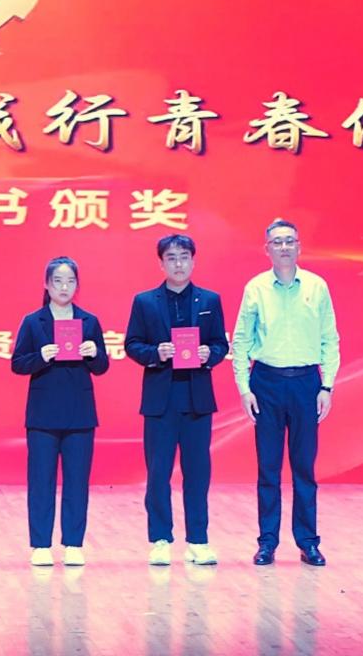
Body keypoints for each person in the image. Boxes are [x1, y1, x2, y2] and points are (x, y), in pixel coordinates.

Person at [231, 219, 340, 567]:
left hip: (307, 383)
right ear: (267, 249)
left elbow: (330, 338)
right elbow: (241, 340)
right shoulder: (256, 288)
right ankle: (267, 542)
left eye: (289, 241)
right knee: (268, 468)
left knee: (304, 467)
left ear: (299, 247)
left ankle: (308, 543)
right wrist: (244, 388)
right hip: (266, 382)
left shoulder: (317, 287)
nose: (284, 247)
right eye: (277, 242)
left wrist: (327, 385)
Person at [125, 234, 229, 566]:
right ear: (161, 263)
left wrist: (209, 354)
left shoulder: (209, 299)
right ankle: (159, 539)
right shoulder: (145, 302)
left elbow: (221, 344)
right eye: (171, 258)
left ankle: (198, 540)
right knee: (158, 472)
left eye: (184, 257)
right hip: (161, 399)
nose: (178, 263)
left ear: (193, 261)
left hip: (197, 399)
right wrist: (156, 352)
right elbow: (132, 344)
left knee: (197, 473)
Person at [11, 256, 109, 567]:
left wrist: (93, 353)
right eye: (57, 281)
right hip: (42, 415)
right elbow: (17, 364)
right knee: (41, 481)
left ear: (77, 285)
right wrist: (40, 356)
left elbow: (102, 366)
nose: (64, 287)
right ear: (46, 284)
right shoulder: (33, 322)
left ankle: (73, 544)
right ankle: (40, 544)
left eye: (70, 281)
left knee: (77, 481)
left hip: (80, 414)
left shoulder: (89, 322)